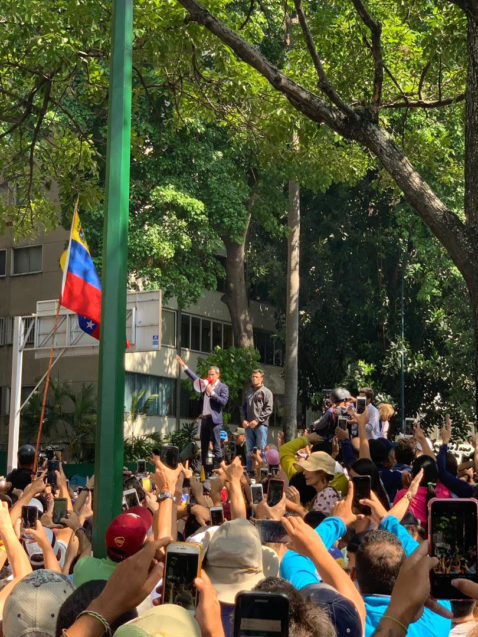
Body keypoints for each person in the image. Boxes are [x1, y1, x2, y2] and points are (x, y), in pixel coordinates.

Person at [177, 354, 229, 469]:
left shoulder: (223, 387)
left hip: (214, 420)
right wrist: (184, 366)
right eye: (209, 374)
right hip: (205, 419)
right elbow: (195, 378)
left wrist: (212, 393)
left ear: (218, 375)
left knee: (216, 445)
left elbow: (223, 402)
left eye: (212, 374)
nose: (210, 376)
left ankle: (221, 468)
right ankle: (204, 470)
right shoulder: (206, 385)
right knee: (204, 446)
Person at [242, 369, 273, 472]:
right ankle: (250, 472)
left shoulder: (266, 392)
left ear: (261, 378)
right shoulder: (248, 392)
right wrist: (243, 420)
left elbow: (268, 409)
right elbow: (243, 407)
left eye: (256, 377)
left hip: (261, 425)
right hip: (248, 426)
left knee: (261, 449)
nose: (254, 379)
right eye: (253, 377)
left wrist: (258, 420)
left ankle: (261, 472)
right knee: (249, 450)